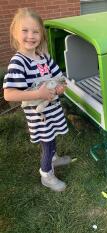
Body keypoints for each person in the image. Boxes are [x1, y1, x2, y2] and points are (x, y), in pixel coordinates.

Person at [3, 8, 71, 192]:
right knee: (47, 143)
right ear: (15, 33)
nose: (30, 36)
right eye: (25, 31)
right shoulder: (19, 62)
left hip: (52, 109)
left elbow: (59, 79)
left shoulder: (44, 58)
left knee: (53, 135)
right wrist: (38, 94)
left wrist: (59, 87)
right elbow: (9, 94)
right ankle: (46, 174)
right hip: (38, 115)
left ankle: (54, 159)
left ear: (41, 34)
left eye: (35, 31)